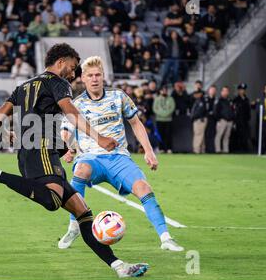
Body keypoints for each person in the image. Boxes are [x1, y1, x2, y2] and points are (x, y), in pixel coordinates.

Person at [0, 44, 149, 278]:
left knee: (83, 212)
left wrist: (5, 130)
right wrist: (99, 137)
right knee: (52, 201)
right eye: (73, 68)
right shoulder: (58, 82)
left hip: (33, 152)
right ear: (60, 62)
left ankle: (119, 267)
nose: (73, 75)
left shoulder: (23, 86)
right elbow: (71, 112)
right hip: (40, 149)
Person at [56, 56, 184, 252]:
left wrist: (149, 151)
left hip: (119, 158)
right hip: (91, 158)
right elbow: (65, 131)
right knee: (80, 170)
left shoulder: (119, 96)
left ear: (103, 76)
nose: (95, 79)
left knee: (144, 188)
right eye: (90, 75)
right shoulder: (76, 103)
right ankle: (74, 226)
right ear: (83, 78)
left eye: (98, 74)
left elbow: (136, 123)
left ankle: (165, 238)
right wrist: (68, 148)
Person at [153, 86, 175, 153]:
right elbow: (155, 108)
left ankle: (169, 148)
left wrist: (165, 114)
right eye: (163, 90)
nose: (164, 92)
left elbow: (172, 108)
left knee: (168, 135)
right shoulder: (157, 99)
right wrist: (162, 114)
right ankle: (161, 148)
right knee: (160, 135)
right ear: (160, 91)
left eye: (165, 90)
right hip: (159, 119)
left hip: (168, 120)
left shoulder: (171, 99)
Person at [214, 86, 235, 153]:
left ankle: (226, 150)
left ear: (228, 92)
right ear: (221, 92)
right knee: (219, 135)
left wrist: (233, 119)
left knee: (227, 136)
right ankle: (218, 150)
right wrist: (218, 119)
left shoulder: (230, 100)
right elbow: (215, 111)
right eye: (224, 91)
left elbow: (233, 110)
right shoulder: (219, 100)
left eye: (227, 91)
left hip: (229, 121)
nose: (225, 92)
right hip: (222, 120)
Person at [232, 83, 251, 152]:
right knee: (238, 135)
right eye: (241, 90)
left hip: (245, 121)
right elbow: (234, 110)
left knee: (245, 135)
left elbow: (248, 110)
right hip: (238, 120)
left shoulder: (246, 99)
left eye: (243, 90)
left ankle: (244, 149)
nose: (242, 91)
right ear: (238, 91)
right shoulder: (236, 99)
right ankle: (238, 149)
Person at [191, 89, 207, 154]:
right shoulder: (198, 100)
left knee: (198, 135)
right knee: (201, 135)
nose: (195, 95)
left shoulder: (201, 101)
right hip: (198, 119)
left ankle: (196, 150)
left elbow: (199, 112)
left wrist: (193, 116)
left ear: (200, 94)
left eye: (196, 93)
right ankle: (202, 150)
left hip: (200, 119)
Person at [205, 85, 217, 153]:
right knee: (207, 134)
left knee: (213, 134)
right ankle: (206, 149)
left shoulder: (216, 100)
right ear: (209, 90)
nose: (212, 91)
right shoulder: (205, 99)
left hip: (214, 119)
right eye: (211, 90)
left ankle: (211, 149)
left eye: (214, 90)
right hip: (207, 119)